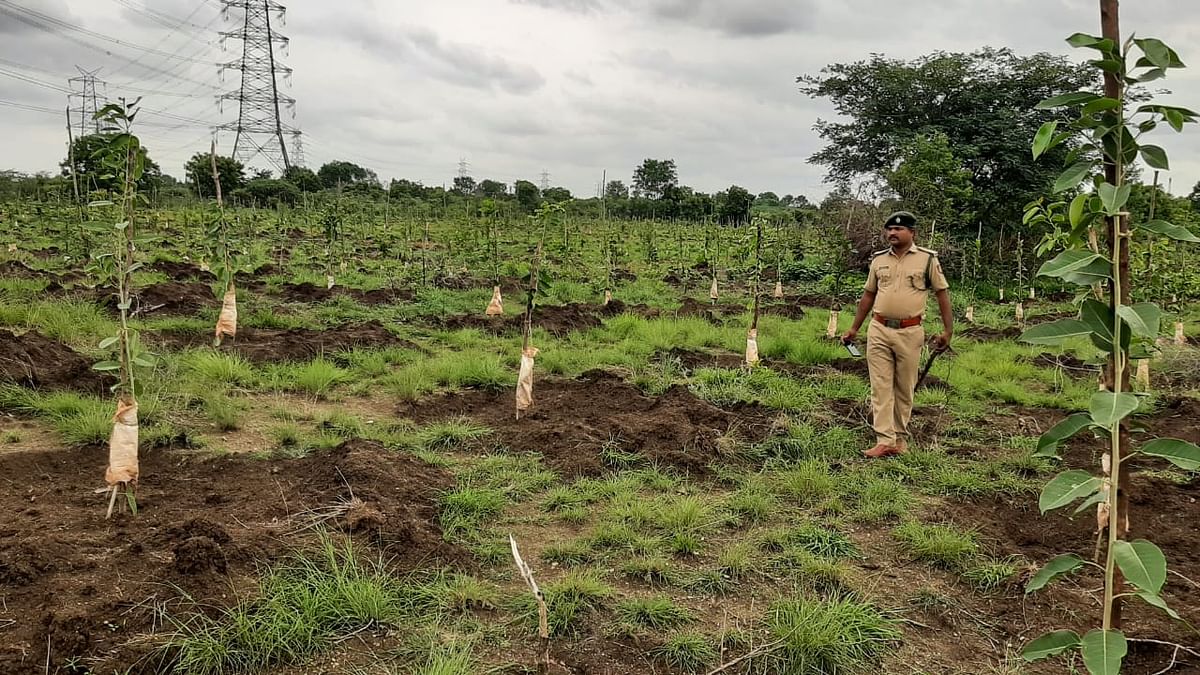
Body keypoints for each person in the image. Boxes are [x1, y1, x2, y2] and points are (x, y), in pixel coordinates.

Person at [842, 211, 952, 458]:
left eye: (898, 229)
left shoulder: (926, 260)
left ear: (912, 233)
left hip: (910, 332)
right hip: (879, 329)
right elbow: (868, 295)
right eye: (889, 229)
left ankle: (899, 439)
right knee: (880, 385)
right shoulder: (879, 260)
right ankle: (884, 439)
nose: (892, 233)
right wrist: (854, 328)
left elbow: (942, 294)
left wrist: (948, 331)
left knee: (904, 387)